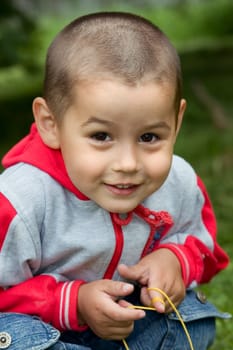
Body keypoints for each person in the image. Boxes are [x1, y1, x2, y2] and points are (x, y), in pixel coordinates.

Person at [0, 11, 230, 350]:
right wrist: (73, 302)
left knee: (193, 320)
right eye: (101, 136)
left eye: (149, 137)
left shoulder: (179, 181)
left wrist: (174, 260)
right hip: (41, 327)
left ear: (177, 121)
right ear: (50, 123)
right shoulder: (21, 200)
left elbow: (205, 248)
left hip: (124, 324)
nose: (127, 164)